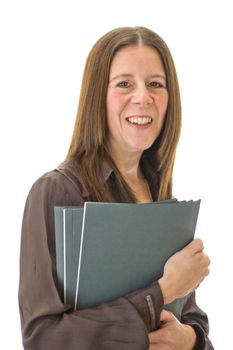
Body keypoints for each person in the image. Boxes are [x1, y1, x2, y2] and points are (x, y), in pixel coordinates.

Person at [19, 26, 214, 349]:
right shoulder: (55, 191)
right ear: (98, 95)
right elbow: (42, 339)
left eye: (155, 84)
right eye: (124, 84)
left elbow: (190, 321)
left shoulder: (164, 202)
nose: (142, 98)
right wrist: (162, 291)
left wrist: (190, 339)